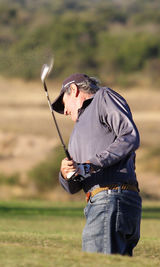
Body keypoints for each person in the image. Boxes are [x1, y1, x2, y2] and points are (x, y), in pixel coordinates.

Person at [51, 73, 141, 256]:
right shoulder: (76, 135)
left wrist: (91, 164)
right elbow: (72, 187)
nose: (65, 111)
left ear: (74, 90)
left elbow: (129, 136)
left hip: (112, 198)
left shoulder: (103, 97)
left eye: (64, 103)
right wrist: (65, 173)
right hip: (101, 203)